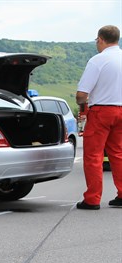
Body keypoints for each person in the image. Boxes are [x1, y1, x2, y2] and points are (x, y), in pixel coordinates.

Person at [75, 25, 122, 210]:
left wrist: (81, 104)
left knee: (93, 155)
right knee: (118, 153)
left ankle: (92, 198)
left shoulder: (98, 60)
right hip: (121, 111)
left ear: (101, 39)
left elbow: (82, 94)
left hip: (101, 112)